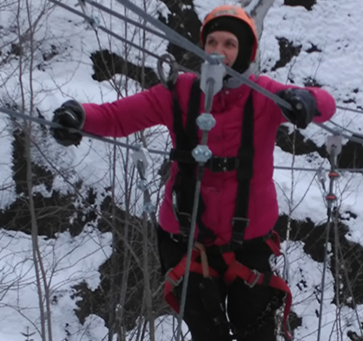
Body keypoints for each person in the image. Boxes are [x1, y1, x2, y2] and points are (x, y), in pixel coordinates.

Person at [50, 5, 336, 341]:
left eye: (229, 44)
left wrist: (304, 99)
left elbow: (326, 104)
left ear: (244, 51)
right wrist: (77, 117)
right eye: (212, 42)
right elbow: (118, 117)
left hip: (249, 243)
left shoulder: (264, 95)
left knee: (255, 333)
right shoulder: (180, 92)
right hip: (185, 240)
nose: (219, 51)